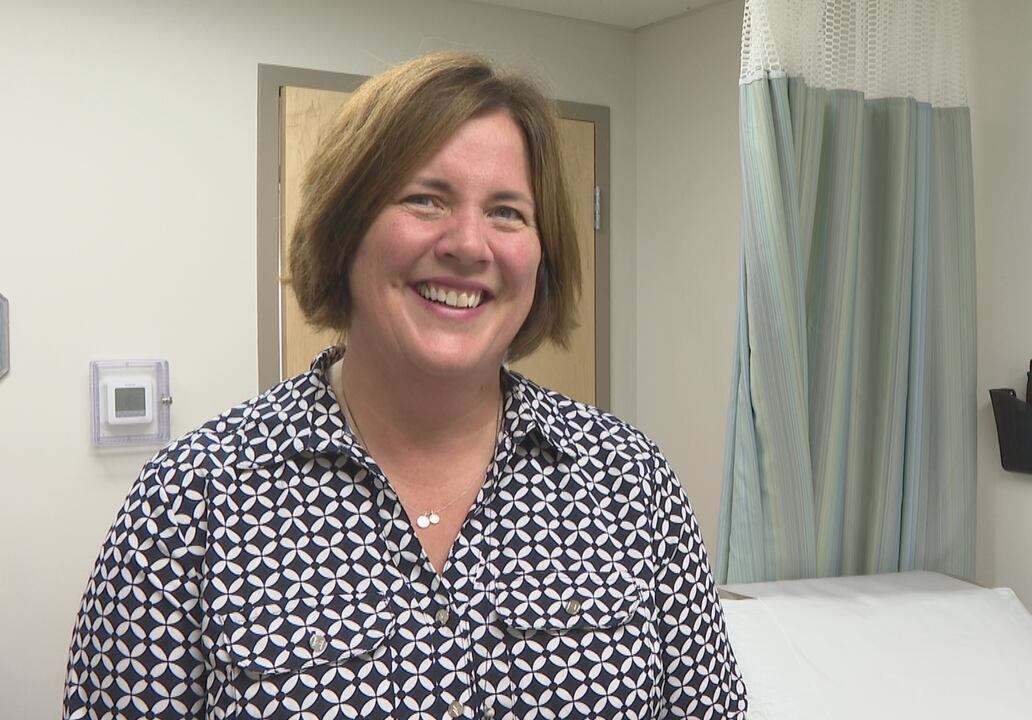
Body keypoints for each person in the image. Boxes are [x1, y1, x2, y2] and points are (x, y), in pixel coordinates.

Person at [62, 53, 747, 719]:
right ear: (345, 226)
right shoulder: (191, 504)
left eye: (508, 211)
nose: (468, 245)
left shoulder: (631, 484)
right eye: (425, 199)